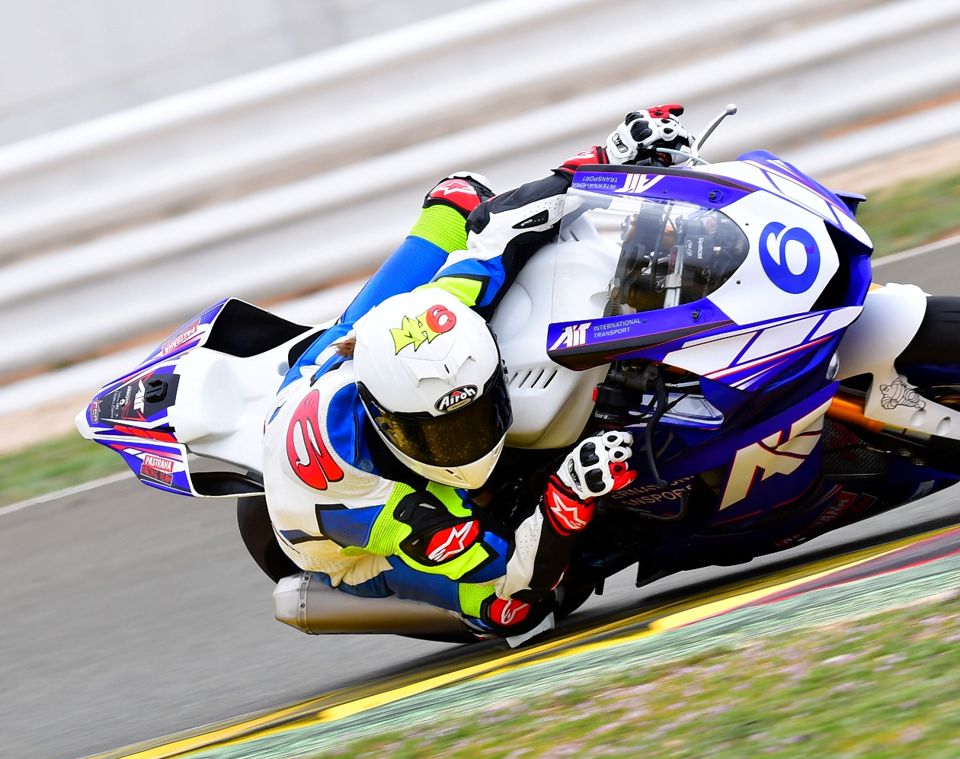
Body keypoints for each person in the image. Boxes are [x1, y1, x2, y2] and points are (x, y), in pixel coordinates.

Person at [261, 105, 695, 639]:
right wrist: (567, 496)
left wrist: (610, 159)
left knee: (461, 199)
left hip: (328, 364)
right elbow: (513, 585)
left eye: (474, 417)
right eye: (440, 434)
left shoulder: (443, 308)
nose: (467, 443)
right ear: (383, 418)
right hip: (346, 544)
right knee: (508, 616)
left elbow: (501, 231)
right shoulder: (396, 512)